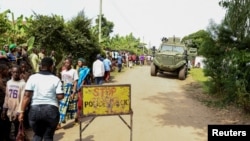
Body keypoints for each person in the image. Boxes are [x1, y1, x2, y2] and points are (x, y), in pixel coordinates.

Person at [18, 57, 64, 141]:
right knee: (48, 137)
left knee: (37, 135)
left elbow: (26, 96)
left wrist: (21, 112)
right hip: (51, 110)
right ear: (51, 67)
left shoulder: (32, 77)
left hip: (35, 110)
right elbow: (60, 96)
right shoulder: (56, 79)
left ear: (41, 66)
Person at [1, 65, 26, 140]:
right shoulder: (9, 82)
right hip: (9, 109)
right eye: (14, 72)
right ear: (11, 72)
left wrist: (19, 111)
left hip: (17, 110)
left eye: (17, 72)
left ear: (20, 73)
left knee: (16, 131)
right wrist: (4, 109)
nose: (15, 74)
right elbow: (7, 96)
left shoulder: (22, 84)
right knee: (7, 129)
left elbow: (22, 98)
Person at [58, 57, 78, 129]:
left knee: (73, 105)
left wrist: (73, 91)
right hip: (64, 90)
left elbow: (75, 82)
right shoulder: (63, 72)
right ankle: (59, 123)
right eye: (65, 63)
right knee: (62, 106)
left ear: (71, 64)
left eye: (68, 63)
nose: (66, 64)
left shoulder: (74, 71)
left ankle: (76, 119)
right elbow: (62, 82)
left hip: (71, 89)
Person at [0, 64, 11, 141]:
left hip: (6, 103)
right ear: (1, 71)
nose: (8, 71)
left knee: (7, 122)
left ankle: (7, 137)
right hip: (1, 104)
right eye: (6, 70)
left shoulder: (6, 79)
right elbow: (6, 91)